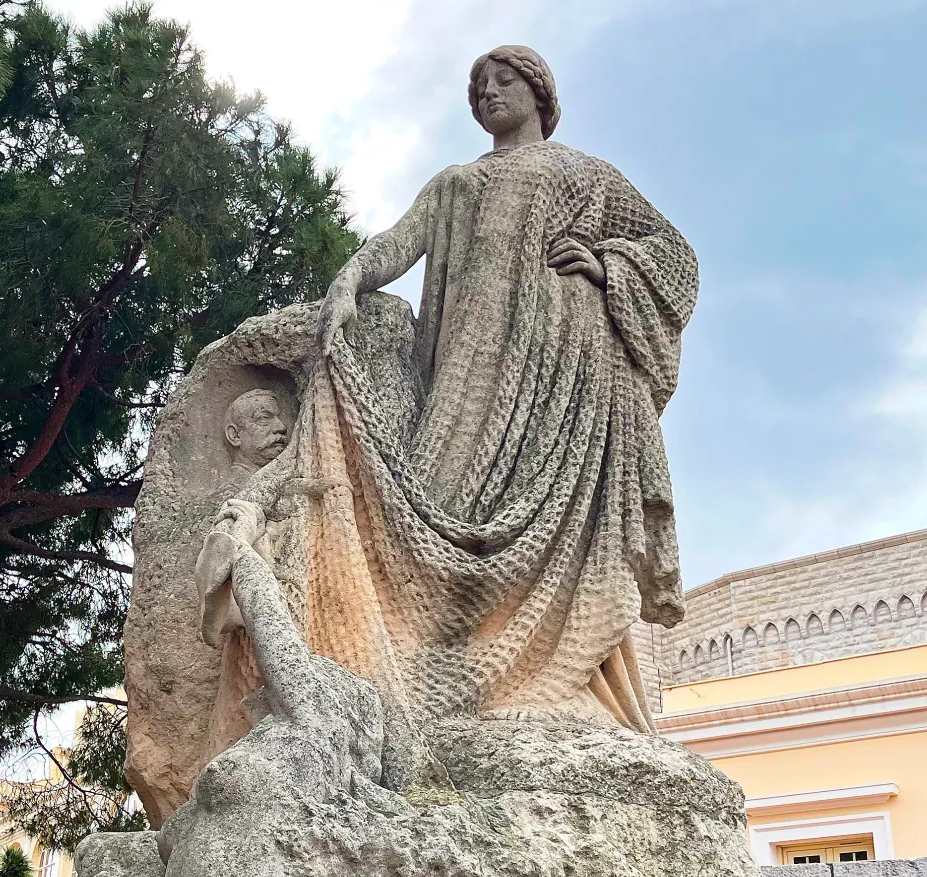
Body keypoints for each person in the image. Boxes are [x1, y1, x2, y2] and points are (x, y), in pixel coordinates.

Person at [202, 45, 697, 741]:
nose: (489, 92)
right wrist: (348, 280)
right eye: (479, 86)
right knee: (444, 488)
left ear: (540, 94)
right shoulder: (456, 184)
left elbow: (675, 257)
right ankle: (437, 668)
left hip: (569, 371)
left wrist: (609, 265)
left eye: (505, 80)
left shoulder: (586, 174)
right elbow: (397, 241)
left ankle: (558, 678)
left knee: (564, 520)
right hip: (472, 373)